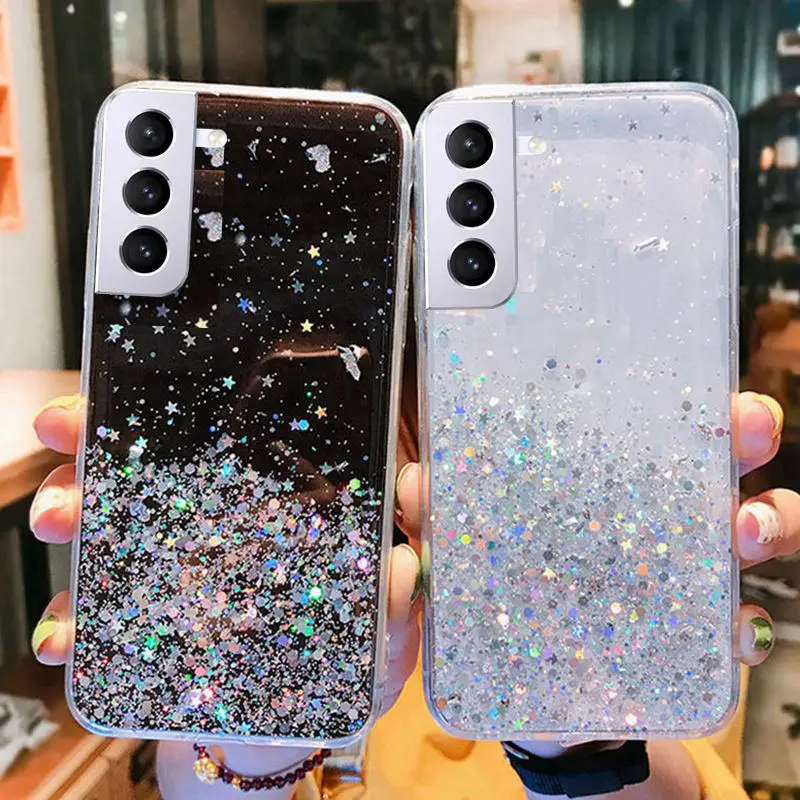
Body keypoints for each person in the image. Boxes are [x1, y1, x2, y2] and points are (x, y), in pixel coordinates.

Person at [28, 390, 788, 798]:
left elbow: (676, 779)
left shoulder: (612, 516)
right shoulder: (283, 531)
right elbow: (198, 778)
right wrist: (252, 731)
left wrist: (573, 731)